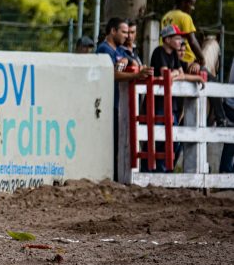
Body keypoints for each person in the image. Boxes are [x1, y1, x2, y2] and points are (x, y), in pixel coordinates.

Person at [141, 24, 204, 171]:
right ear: (167, 39)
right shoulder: (159, 52)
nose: (180, 41)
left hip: (171, 105)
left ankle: (162, 170)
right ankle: (149, 171)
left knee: (173, 140)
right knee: (156, 140)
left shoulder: (174, 54)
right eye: (177, 38)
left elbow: (178, 75)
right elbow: (165, 76)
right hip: (157, 105)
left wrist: (190, 77)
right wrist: (175, 74)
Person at [96, 17, 153, 180]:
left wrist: (129, 60)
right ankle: (110, 177)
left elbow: (127, 63)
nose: (127, 36)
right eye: (124, 32)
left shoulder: (119, 51)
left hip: (118, 104)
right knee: (111, 142)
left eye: (129, 32)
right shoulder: (104, 50)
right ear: (113, 31)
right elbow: (111, 74)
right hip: (108, 103)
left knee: (120, 142)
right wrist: (136, 74)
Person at [161, 0, 206, 75]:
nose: (193, 8)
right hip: (185, 60)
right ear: (183, 2)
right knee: (211, 79)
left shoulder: (165, 17)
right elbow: (192, 41)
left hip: (168, 59)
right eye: (191, 4)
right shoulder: (185, 17)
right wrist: (202, 59)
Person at [219, 58, 234, 172]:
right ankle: (226, 173)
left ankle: (226, 173)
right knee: (230, 143)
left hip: (230, 104)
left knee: (230, 143)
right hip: (231, 105)